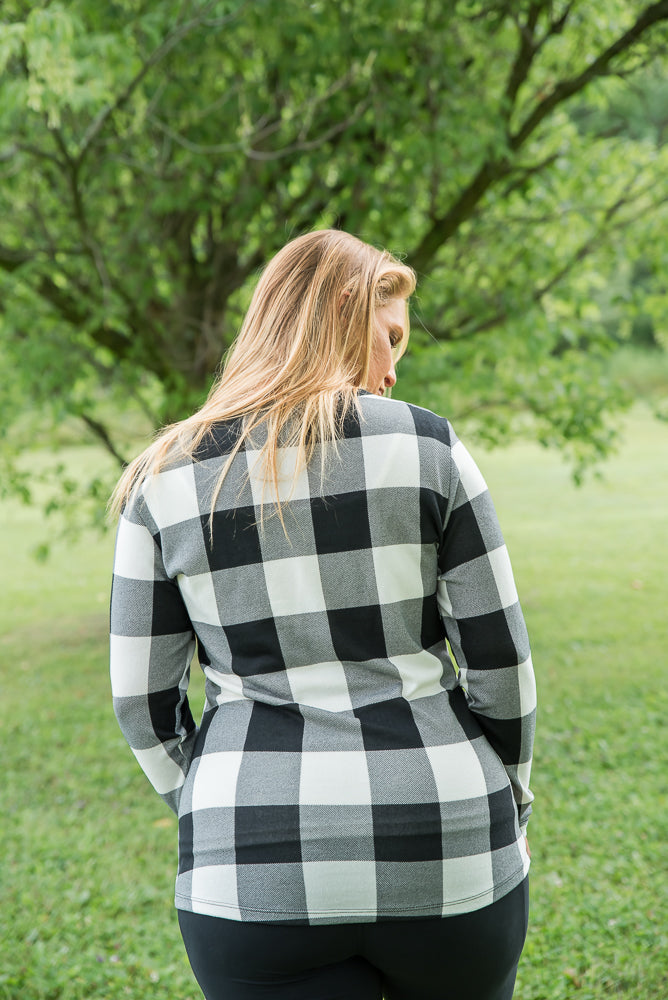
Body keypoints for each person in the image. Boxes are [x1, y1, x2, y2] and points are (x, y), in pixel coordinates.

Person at [109, 229, 535, 1000]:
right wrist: (509, 790)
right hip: (445, 838)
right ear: (344, 305)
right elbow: (501, 669)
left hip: (251, 865)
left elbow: (140, 703)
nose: (393, 365)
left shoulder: (164, 478)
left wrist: (214, 794)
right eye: (391, 333)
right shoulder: (430, 446)